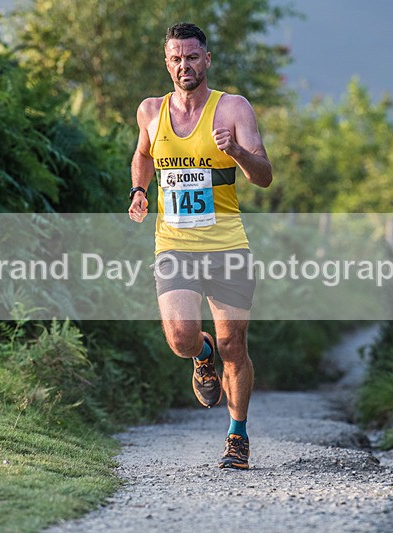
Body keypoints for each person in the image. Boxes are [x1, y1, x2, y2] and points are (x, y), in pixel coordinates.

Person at [127, 22, 272, 470]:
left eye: (192, 57)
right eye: (175, 58)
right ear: (166, 61)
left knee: (235, 346)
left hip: (227, 245)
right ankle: (201, 355)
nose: (183, 65)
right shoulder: (151, 110)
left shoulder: (233, 109)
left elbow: (264, 175)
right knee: (180, 339)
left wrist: (239, 154)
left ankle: (237, 435)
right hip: (174, 245)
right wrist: (138, 190)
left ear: (206, 60)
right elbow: (145, 154)